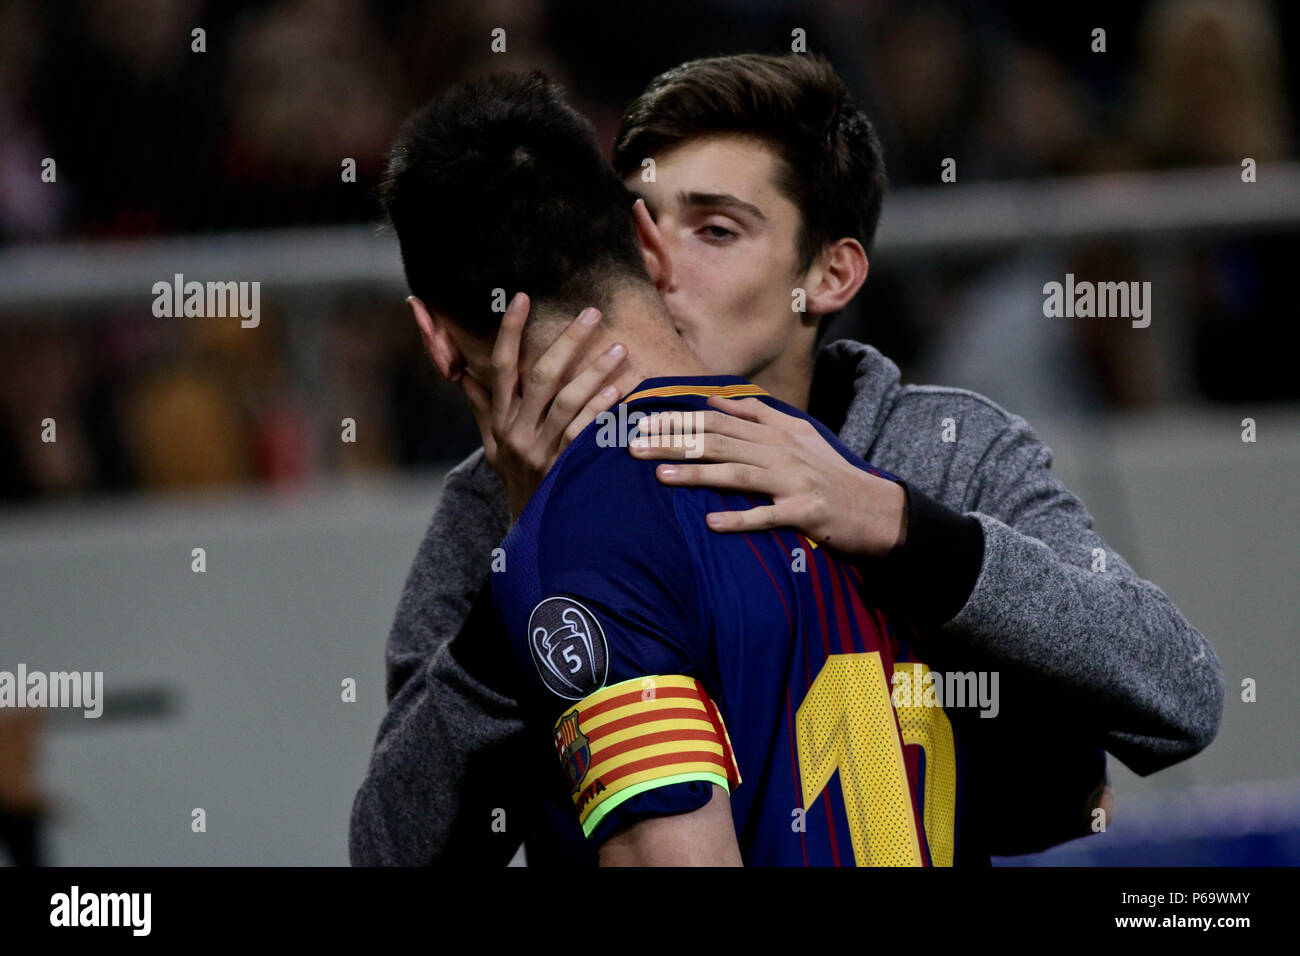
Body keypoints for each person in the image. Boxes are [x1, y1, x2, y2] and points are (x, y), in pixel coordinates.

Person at [350, 54, 1223, 866]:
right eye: (649, 222)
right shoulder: (498, 498)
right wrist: (528, 551)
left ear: (831, 275)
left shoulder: (944, 454)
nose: (665, 269)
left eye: (718, 229)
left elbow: (1177, 695)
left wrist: (896, 523)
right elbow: (395, 848)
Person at [379, 70, 986, 866]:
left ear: (432, 335)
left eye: (723, 229)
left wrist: (542, 547)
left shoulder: (586, 524)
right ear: (646, 242)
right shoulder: (839, 475)